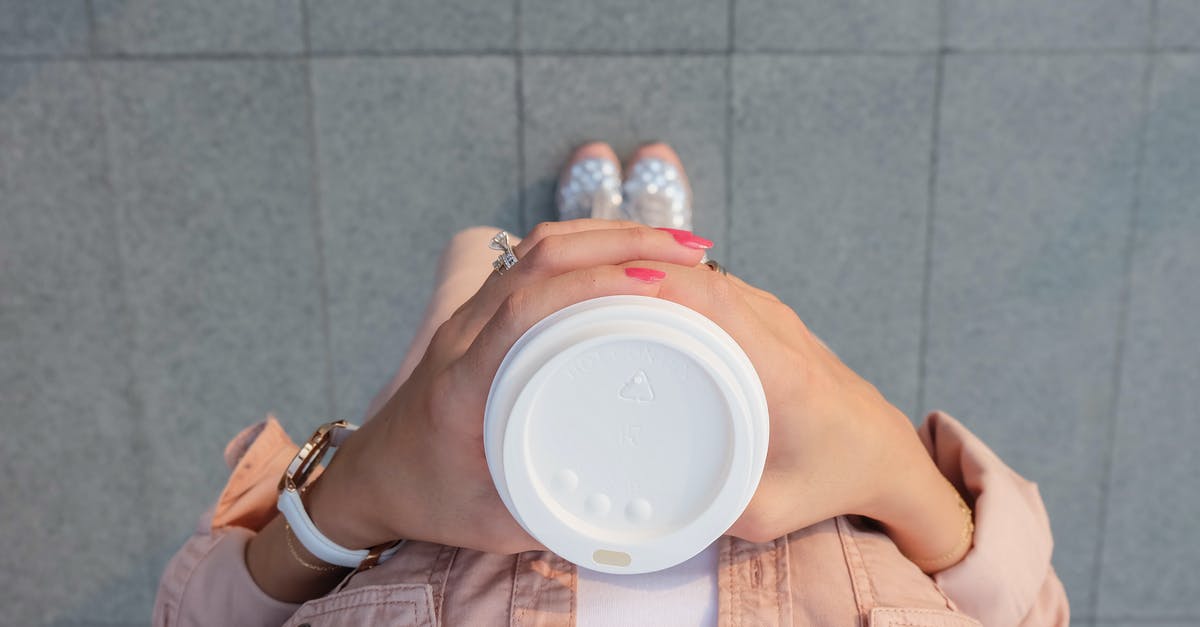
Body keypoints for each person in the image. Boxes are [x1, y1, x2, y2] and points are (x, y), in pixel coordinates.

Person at [154, 143, 1069, 626]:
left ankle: (587, 228)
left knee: (478, 280)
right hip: (727, 426)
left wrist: (352, 495)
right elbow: (1027, 612)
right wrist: (886, 456)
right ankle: (623, 235)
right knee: (674, 313)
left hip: (446, 466)